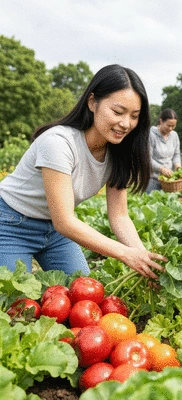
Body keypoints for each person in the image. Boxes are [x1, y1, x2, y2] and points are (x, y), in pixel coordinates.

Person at [0, 64, 167, 279]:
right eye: (117, 112)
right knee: (16, 303)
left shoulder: (118, 152)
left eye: (134, 116)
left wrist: (143, 259)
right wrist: (125, 254)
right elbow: (65, 221)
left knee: (84, 290)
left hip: (54, 231)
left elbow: (119, 215)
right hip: (10, 222)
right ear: (92, 102)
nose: (126, 123)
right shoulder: (58, 143)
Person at [145, 108, 181, 193]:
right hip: (152, 179)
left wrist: (178, 167)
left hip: (169, 180)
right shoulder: (150, 135)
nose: (171, 128)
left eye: (173, 126)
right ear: (161, 121)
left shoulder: (174, 135)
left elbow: (176, 154)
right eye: (168, 125)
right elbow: (147, 158)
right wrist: (161, 169)